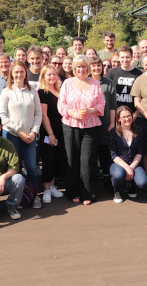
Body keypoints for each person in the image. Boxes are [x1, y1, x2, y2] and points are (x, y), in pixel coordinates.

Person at [58, 55, 105, 205]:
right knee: (72, 159)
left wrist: (91, 110)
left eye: (84, 66)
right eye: (78, 66)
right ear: (74, 68)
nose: (81, 69)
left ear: (88, 68)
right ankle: (73, 191)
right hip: (70, 125)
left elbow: (101, 103)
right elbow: (61, 104)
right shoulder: (67, 83)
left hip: (90, 127)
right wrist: (72, 113)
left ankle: (88, 192)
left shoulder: (95, 84)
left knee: (87, 161)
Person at [0, 60, 43, 209]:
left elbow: (38, 114)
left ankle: (34, 195)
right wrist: (19, 131)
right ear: (11, 73)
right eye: (16, 72)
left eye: (21, 72)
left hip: (30, 136)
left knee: (32, 168)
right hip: (12, 135)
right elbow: (2, 115)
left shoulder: (32, 91)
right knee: (15, 169)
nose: (19, 74)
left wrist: (33, 132)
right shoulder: (6, 92)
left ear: (25, 73)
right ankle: (16, 198)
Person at [38, 65, 67, 204]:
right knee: (48, 159)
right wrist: (50, 133)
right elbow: (44, 115)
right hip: (48, 132)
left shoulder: (60, 91)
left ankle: (53, 185)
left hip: (61, 131)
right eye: (48, 75)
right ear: (43, 77)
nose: (51, 77)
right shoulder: (42, 92)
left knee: (57, 159)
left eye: (53, 74)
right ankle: (47, 189)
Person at [108, 106, 147, 203]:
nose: (127, 119)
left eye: (129, 116)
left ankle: (131, 184)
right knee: (119, 174)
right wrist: (127, 168)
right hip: (118, 164)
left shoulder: (139, 131)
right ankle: (117, 190)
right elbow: (113, 155)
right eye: (124, 117)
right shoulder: (113, 133)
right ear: (118, 119)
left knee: (143, 183)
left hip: (134, 163)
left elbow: (140, 152)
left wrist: (131, 167)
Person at [90, 56, 117, 191]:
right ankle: (93, 182)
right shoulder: (86, 82)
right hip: (89, 124)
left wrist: (112, 123)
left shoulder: (108, 83)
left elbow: (113, 104)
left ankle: (107, 180)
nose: (96, 68)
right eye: (93, 66)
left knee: (104, 152)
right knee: (91, 154)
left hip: (105, 122)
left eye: (98, 66)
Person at [106, 45, 142, 116]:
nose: (125, 60)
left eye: (127, 57)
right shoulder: (112, 72)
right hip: (115, 113)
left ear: (132, 57)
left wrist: (137, 112)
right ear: (119, 58)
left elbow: (142, 95)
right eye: (122, 57)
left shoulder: (139, 74)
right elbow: (107, 93)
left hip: (132, 113)